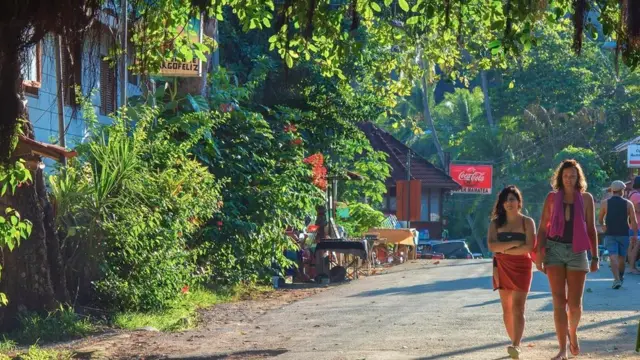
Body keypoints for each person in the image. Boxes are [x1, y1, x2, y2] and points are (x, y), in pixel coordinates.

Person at [535, 159, 599, 360]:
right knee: (558, 301)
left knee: (574, 304)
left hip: (578, 251)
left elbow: (591, 228)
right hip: (554, 250)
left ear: (578, 177)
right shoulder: (552, 198)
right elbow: (543, 227)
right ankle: (562, 349)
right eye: (565, 176)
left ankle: (573, 332)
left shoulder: (586, 198)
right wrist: (539, 253)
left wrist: (595, 256)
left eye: (573, 176)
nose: (569, 179)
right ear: (560, 178)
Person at [487, 185, 536, 359]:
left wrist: (504, 250)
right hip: (501, 267)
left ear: (519, 202)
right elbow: (492, 246)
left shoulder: (527, 222)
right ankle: (514, 340)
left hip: (523, 266)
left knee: (518, 307)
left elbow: (529, 247)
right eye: (506, 200)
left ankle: (516, 344)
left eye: (512, 199)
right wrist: (514, 245)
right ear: (502, 203)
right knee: (506, 308)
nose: (509, 203)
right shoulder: (495, 223)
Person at [598, 180, 638, 288]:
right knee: (621, 259)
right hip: (624, 234)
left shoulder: (605, 203)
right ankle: (619, 277)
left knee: (613, 257)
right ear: (622, 191)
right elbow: (634, 221)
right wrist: (634, 235)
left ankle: (617, 279)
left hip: (610, 233)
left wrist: (603, 226)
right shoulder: (628, 204)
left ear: (612, 191)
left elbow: (600, 219)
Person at [627, 176, 640, 274]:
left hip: (633, 225)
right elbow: (638, 209)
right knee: (635, 246)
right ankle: (632, 267)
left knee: (632, 246)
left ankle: (631, 267)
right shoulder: (637, 196)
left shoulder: (631, 194)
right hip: (637, 225)